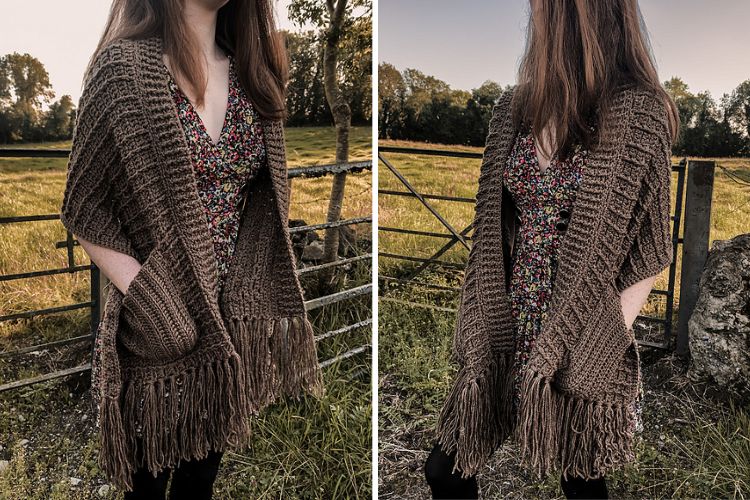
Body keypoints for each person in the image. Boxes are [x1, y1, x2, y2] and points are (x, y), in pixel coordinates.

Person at [60, 0, 323, 497]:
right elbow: (82, 205)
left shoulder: (252, 73)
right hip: (158, 330)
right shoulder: (121, 70)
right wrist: (148, 294)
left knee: (200, 479)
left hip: (229, 333)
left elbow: (263, 201)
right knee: (148, 482)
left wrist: (253, 291)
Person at [423, 0, 679, 498]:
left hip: (577, 333)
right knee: (443, 470)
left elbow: (650, 246)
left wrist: (598, 341)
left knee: (580, 480)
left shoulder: (639, 112)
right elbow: (493, 234)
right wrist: (480, 320)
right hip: (507, 327)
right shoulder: (513, 109)